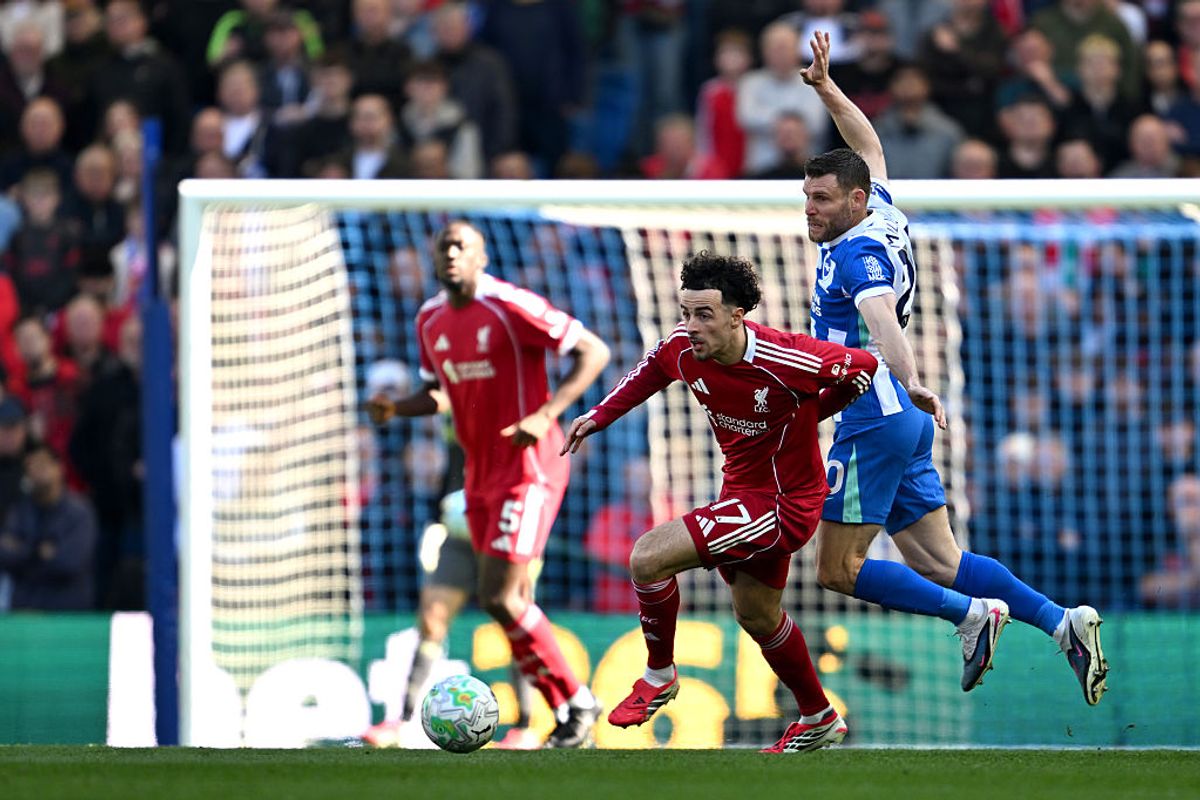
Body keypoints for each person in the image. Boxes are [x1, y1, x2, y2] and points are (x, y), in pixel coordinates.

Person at [800, 30, 1108, 705]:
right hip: (899, 419)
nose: (810, 211)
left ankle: (970, 616)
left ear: (851, 202)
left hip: (872, 413)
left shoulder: (857, 254)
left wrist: (911, 380)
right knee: (942, 560)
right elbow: (870, 146)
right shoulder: (877, 205)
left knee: (838, 570)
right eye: (807, 197)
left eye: (821, 199)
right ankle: (1063, 624)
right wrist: (827, 90)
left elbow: (880, 316)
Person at [562, 251, 879, 753]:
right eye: (686, 313)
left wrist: (819, 407)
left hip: (784, 504)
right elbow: (650, 369)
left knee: (647, 556)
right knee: (757, 615)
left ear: (738, 316)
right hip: (741, 495)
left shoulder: (785, 358)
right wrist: (599, 416)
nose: (691, 326)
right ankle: (819, 715)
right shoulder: (684, 350)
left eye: (704, 315)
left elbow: (862, 365)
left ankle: (659, 675)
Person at [366, 221, 611, 748]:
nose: (452, 254)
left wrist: (546, 415)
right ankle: (570, 709)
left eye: (462, 247)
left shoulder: (511, 305)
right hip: (478, 474)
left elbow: (594, 351)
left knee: (503, 595)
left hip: (530, 468)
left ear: (481, 258)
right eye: (444, 247)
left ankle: (574, 703)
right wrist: (396, 408)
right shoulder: (430, 320)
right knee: (499, 598)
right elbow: (437, 394)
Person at [363, 489, 543, 749]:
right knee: (432, 619)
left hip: (508, 528)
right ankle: (400, 722)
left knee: (514, 619)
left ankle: (525, 728)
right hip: (461, 528)